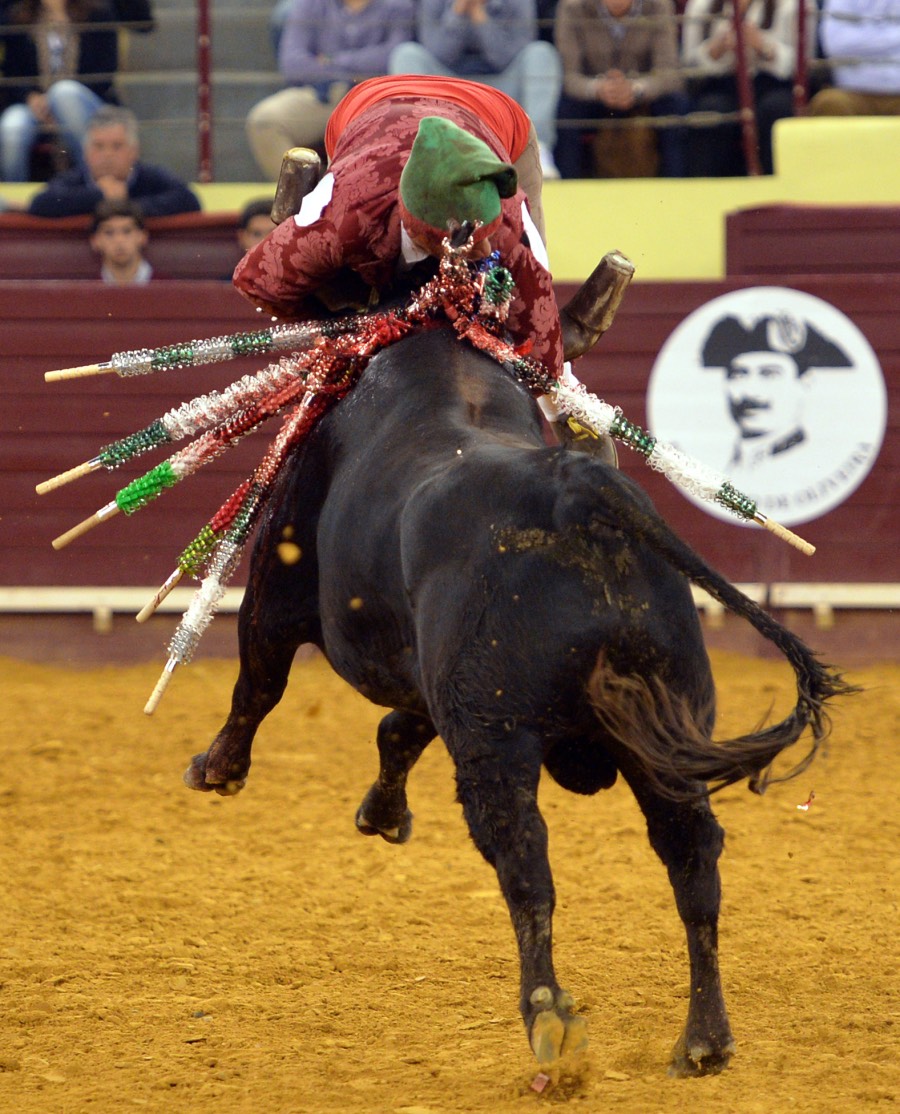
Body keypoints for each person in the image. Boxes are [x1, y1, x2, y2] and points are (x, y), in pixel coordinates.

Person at [234, 74, 565, 376]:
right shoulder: (345, 213)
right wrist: (337, 325)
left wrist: (557, 382)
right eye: (467, 242)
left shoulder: (507, 217)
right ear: (422, 234)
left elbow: (542, 346)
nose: (486, 250)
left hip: (496, 114)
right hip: (369, 107)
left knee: (531, 282)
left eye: (484, 234)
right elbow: (256, 280)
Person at [388, 0, 564, 178]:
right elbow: (438, 51)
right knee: (406, 54)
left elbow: (508, 55)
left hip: (502, 85)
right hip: (449, 84)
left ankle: (537, 150)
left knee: (541, 53)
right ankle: (420, 151)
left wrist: (480, 17)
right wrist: (458, 12)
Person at [245, 0, 416, 180]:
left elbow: (395, 57)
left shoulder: (399, 5)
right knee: (264, 121)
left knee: (400, 124)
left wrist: (332, 60)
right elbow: (292, 64)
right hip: (323, 93)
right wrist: (351, 71)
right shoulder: (309, 4)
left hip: (376, 97)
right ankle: (306, 194)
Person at [0, 0, 153, 182]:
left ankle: (95, 184)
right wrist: (30, 97)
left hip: (86, 100)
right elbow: (12, 71)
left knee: (63, 92)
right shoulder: (19, 17)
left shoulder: (98, 13)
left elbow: (105, 71)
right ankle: (12, 195)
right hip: (34, 105)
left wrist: (57, 102)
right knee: (12, 126)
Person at [553, 0, 690, 178]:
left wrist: (636, 88)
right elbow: (569, 76)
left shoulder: (658, 5)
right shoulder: (573, 7)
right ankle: (568, 186)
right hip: (593, 94)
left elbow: (669, 72)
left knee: (675, 105)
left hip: (642, 93)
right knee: (566, 110)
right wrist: (598, 88)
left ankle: (676, 184)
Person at [701, 312, 852, 472]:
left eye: (769, 374)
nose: (750, 391)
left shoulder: (816, 466)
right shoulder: (724, 466)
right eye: (739, 375)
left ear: (805, 383)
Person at [681, 0, 817, 175]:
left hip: (775, 84)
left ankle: (777, 185)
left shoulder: (792, 4)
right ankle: (709, 188)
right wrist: (715, 50)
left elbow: (806, 63)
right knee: (711, 111)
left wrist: (764, 47)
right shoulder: (701, 5)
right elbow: (688, 66)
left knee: (774, 109)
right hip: (721, 84)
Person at [26, 104, 201, 217]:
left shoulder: (150, 176)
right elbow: (40, 204)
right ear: (86, 152)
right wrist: (99, 195)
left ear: (134, 152)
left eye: (117, 146)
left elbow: (189, 200)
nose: (107, 155)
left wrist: (127, 205)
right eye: (99, 146)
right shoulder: (74, 179)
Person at [809, 0, 900, 116]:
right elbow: (836, 44)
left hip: (897, 93)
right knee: (828, 103)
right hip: (851, 92)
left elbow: (847, 41)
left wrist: (861, 38)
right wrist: (891, 39)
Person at [89, 196, 159, 283]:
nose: (119, 240)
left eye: (127, 231)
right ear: (95, 240)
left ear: (143, 236)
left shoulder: (168, 285)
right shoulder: (86, 288)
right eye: (109, 232)